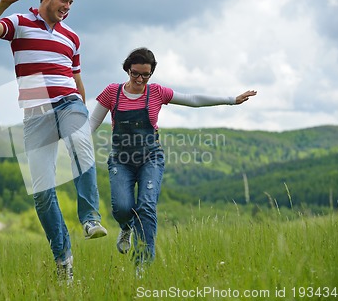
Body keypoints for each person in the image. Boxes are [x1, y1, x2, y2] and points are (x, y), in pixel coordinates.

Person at [0, 0, 107, 282]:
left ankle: (90, 218)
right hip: (36, 114)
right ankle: (63, 259)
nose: (68, 8)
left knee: (82, 145)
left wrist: (84, 116)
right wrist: (3, 3)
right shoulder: (20, 22)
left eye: (72, 3)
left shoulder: (72, 37)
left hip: (68, 102)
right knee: (42, 193)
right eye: (64, 1)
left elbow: (76, 79)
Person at [90, 47, 256, 272]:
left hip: (151, 158)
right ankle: (125, 227)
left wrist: (231, 100)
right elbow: (92, 124)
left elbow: (193, 99)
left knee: (146, 206)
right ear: (127, 70)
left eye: (145, 75)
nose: (140, 79)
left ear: (151, 74)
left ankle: (142, 266)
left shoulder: (157, 93)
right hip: (121, 160)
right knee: (122, 208)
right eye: (135, 73)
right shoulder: (113, 92)